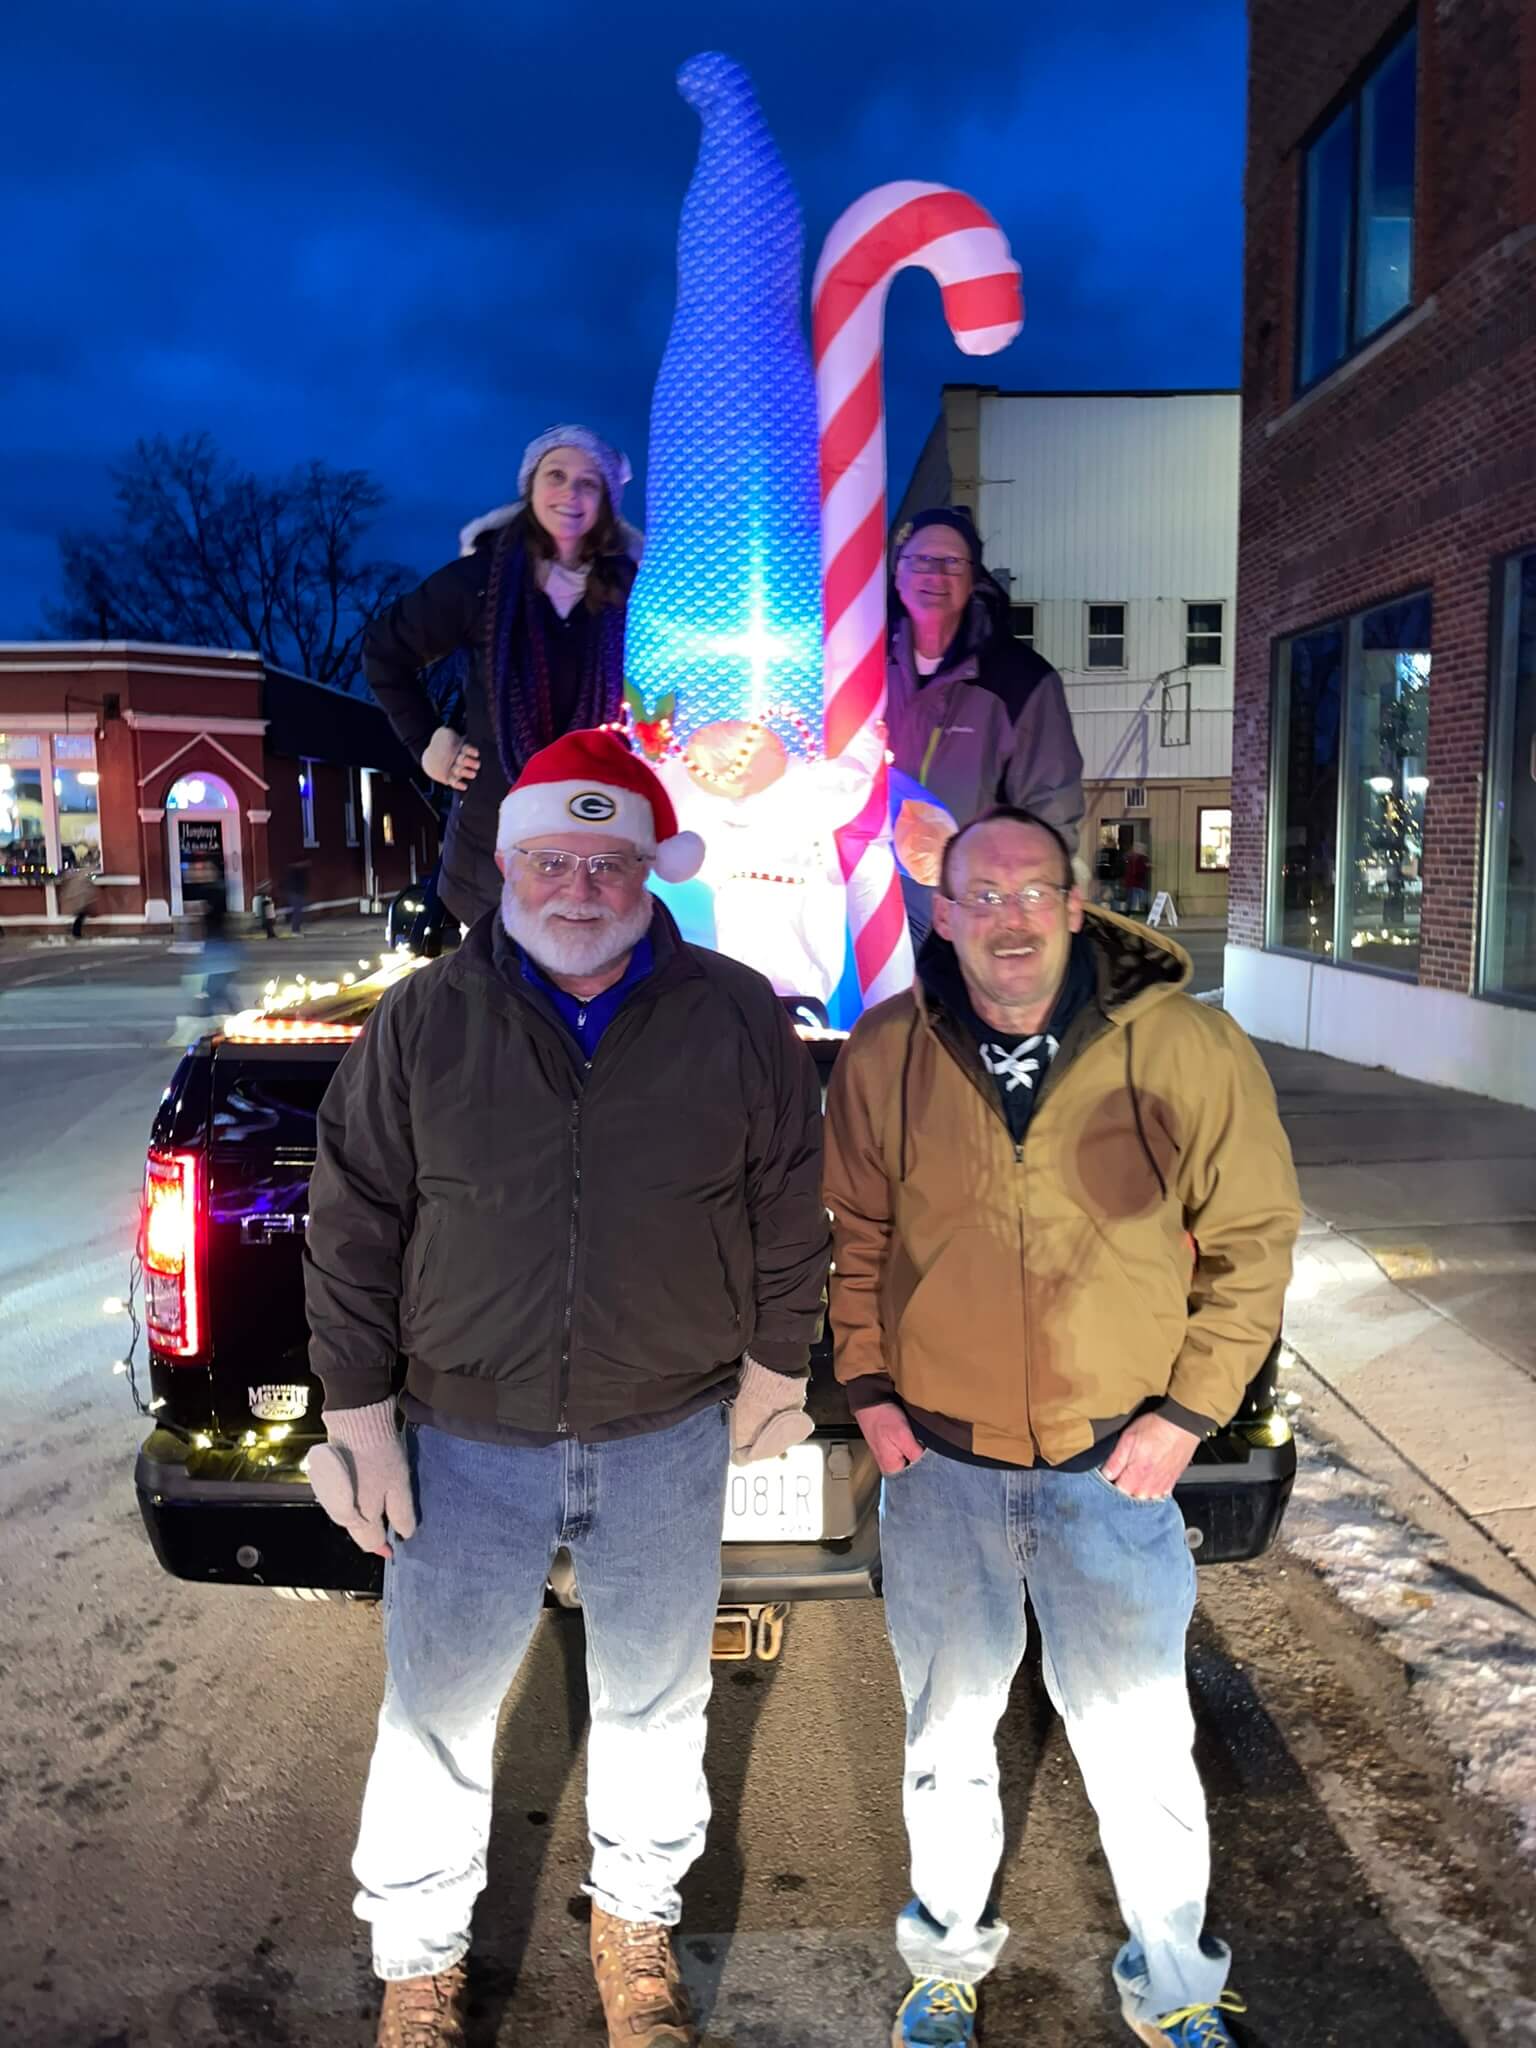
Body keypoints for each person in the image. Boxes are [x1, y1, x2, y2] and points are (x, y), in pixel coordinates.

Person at [302, 729, 829, 2048]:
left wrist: (778, 1360)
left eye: (608, 862)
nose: (578, 887)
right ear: (507, 865)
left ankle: (634, 1924)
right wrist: (357, 1411)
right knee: (435, 1708)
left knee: (658, 1702)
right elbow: (354, 1216)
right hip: (463, 1436)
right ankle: (421, 1964)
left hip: (667, 1430)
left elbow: (788, 1200)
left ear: (652, 870)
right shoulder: (426, 1018)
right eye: (551, 858)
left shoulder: (733, 1013)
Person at [823, 807, 1301, 2048]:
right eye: (981, 895)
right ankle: (945, 1958)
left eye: (1034, 890)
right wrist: (869, 1389)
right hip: (942, 1467)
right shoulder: (888, 1050)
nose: (1010, 916)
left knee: (1140, 1741)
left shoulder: (1186, 1047)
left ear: (1076, 904)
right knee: (946, 1734)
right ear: (944, 913)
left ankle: (1176, 1982)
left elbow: (1252, 1243)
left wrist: (1190, 1412)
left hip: (1115, 1467)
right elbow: (858, 1234)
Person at [365, 426, 642, 932]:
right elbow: (385, 650)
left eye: (589, 483)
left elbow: (663, 689)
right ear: (531, 486)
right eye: (556, 475)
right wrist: (429, 740)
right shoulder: (482, 582)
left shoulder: (634, 589)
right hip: (490, 858)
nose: (570, 494)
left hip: (598, 842)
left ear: (607, 500)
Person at [885, 507, 1084, 941]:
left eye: (953, 562)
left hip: (967, 916)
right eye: (920, 560)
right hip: (865, 908)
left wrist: (1024, 905)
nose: (936, 574)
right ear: (897, 574)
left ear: (974, 577)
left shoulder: (1021, 681)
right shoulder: (859, 664)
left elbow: (1050, 811)